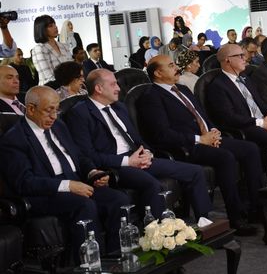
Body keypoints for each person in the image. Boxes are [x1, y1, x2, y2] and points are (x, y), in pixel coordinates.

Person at [137, 55, 265, 235]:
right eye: (171, 65)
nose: (177, 68)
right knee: (225, 157)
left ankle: (256, 207)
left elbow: (202, 116)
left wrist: (213, 131)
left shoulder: (182, 89)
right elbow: (163, 134)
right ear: (158, 73)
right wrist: (200, 139)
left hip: (207, 138)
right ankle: (235, 217)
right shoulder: (151, 97)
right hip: (186, 146)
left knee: (250, 149)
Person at [0, 86, 128, 261]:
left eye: (57, 109)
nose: (54, 116)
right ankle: (89, 264)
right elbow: (25, 182)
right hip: (45, 193)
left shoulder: (59, 126)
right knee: (84, 205)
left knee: (118, 199)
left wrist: (92, 172)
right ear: (30, 109)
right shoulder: (14, 139)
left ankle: (117, 258)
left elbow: (79, 157)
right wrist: (68, 186)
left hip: (75, 182)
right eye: (48, 110)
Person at [65, 69, 212, 220]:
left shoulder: (119, 107)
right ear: (99, 88)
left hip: (138, 157)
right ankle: (157, 230)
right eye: (113, 84)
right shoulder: (80, 113)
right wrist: (128, 161)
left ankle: (204, 222)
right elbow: (88, 154)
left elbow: (137, 138)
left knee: (195, 171)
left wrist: (147, 152)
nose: (118, 88)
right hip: (115, 166)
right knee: (153, 185)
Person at [31, 15, 72, 84]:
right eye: (50, 26)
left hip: (69, 86)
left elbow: (72, 69)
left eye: (54, 24)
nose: (55, 27)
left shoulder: (64, 46)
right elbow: (48, 77)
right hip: (49, 88)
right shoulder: (39, 49)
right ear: (42, 29)